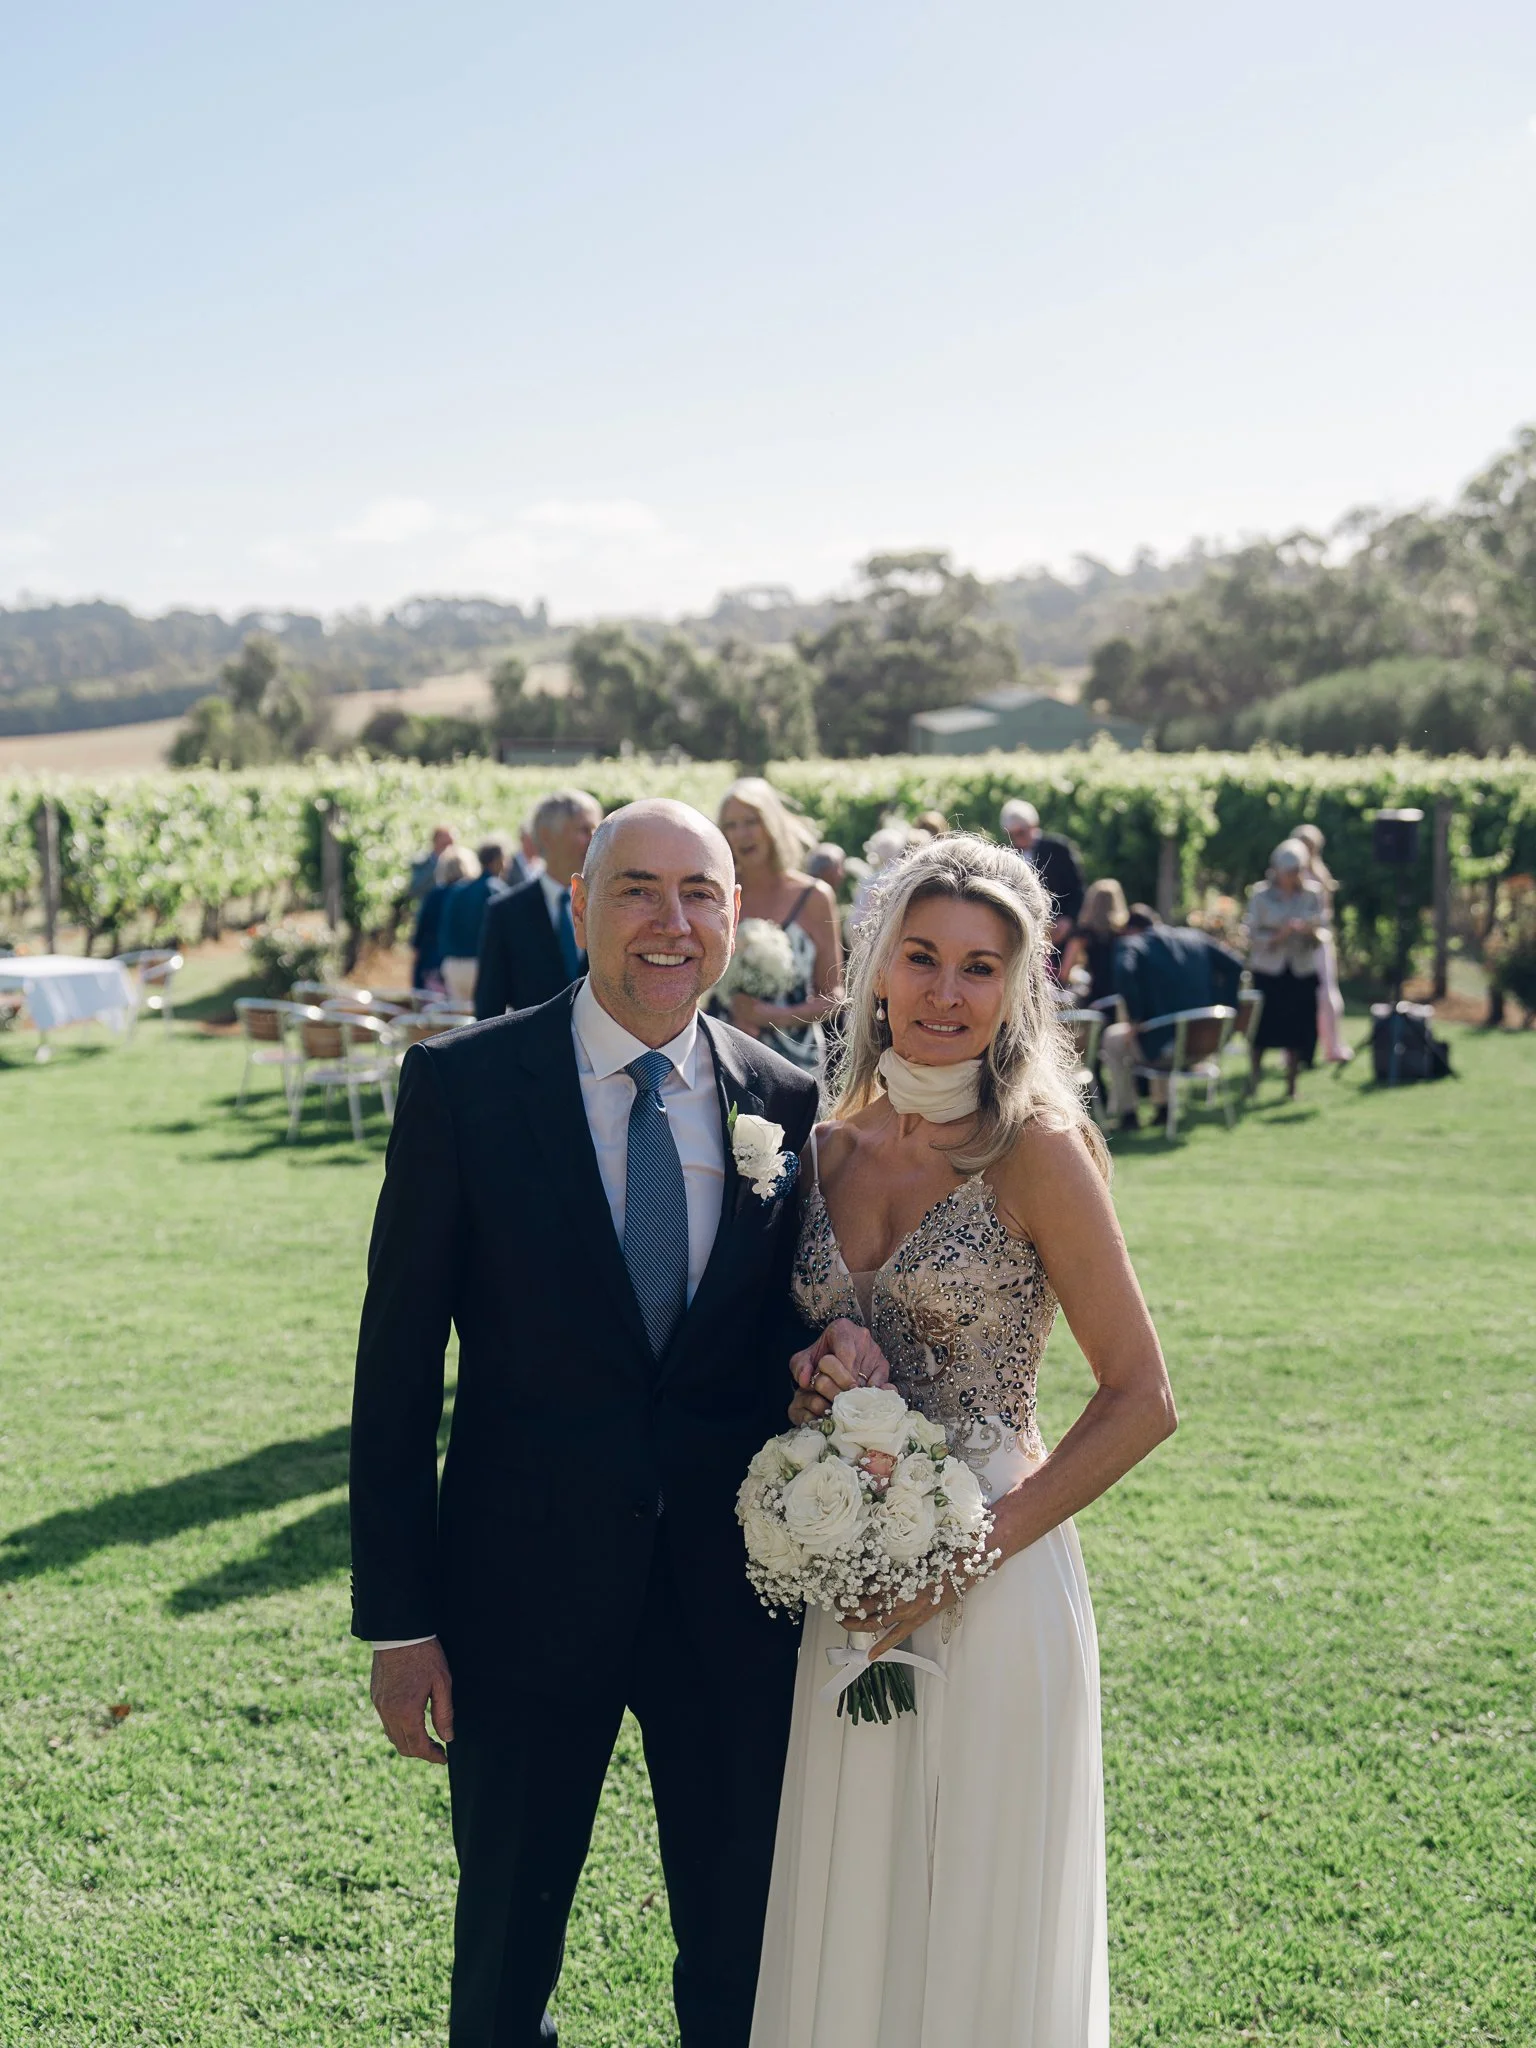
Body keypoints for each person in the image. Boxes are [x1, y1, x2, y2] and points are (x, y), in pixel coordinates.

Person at [351, 799, 886, 2048]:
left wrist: (826, 1362)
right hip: (519, 1596)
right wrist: (399, 1616)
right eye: (637, 888)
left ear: (735, 916)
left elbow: (775, 1338)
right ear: (580, 901)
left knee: (741, 1948)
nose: (670, 920)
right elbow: (393, 1373)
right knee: (503, 1961)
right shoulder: (464, 1088)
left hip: (731, 1603)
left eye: (699, 892)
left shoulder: (785, 1102)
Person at [751, 834, 1176, 2048]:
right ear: (875, 969)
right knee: (857, 1883)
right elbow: (806, 1349)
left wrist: (969, 1552)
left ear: (1018, 986)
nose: (946, 992)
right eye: (922, 957)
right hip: (853, 1559)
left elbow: (1142, 1394)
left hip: (999, 1562)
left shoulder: (1038, 1147)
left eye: (980, 967)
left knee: (982, 1887)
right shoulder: (827, 1145)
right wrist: (816, 1378)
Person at [715, 778, 843, 1072]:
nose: (741, 834)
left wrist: (773, 1015)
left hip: (796, 1063)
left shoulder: (814, 897)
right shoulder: (716, 895)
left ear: (772, 824)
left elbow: (834, 997)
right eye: (731, 825)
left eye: (751, 821)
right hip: (725, 1058)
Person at [1099, 913, 1244, 1131]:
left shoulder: (1132, 943)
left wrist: (1135, 1017)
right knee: (1156, 1030)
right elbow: (1235, 965)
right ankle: (1162, 1108)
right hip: (1206, 1044)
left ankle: (1128, 1114)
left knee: (1113, 1038)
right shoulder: (1195, 939)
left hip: (1166, 1047)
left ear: (1131, 929)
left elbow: (1124, 971)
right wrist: (1225, 1009)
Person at [474, 789, 602, 1019]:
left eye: (598, 829)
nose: (595, 838)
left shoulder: (612, 906)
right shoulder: (506, 912)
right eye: (584, 829)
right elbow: (488, 1006)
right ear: (546, 836)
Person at [1245, 839, 1325, 1099]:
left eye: (1297, 870)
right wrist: (1279, 935)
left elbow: (1322, 929)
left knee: (1297, 1031)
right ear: (1277, 870)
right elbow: (1252, 933)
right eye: (1289, 871)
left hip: (1300, 970)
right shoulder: (1260, 895)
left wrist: (1310, 931)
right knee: (1262, 1029)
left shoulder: (1312, 894)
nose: (1294, 876)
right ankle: (1254, 1080)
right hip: (1269, 972)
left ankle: (1292, 1085)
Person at [1292, 823, 1351, 1065]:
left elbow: (1323, 914)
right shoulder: (1288, 874)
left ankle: (1332, 1046)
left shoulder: (1319, 876)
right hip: (1295, 943)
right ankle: (1293, 1049)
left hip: (1316, 941)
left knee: (1326, 993)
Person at [999, 799, 1086, 957]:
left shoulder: (1058, 849)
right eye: (1011, 834)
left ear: (1033, 826)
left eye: (1021, 832)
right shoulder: (1007, 854)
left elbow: (1076, 888)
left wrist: (1068, 920)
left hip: (1059, 932)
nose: (1017, 838)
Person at [438, 837, 513, 1007]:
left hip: (452, 965)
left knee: (459, 1024)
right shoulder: (497, 889)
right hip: (480, 965)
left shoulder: (458, 890)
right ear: (497, 860)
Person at [413, 844, 478, 994]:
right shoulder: (472, 896)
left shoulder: (434, 896)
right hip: (467, 963)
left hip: (433, 966)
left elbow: (420, 935)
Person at [1061, 878, 1129, 1010]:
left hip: (1095, 999)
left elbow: (1065, 973)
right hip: (1120, 999)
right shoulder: (1123, 933)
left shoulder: (1083, 934)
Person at [409, 824, 456, 905]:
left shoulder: (459, 865)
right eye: (445, 844)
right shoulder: (421, 863)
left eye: (451, 844)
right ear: (435, 842)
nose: (449, 848)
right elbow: (415, 890)